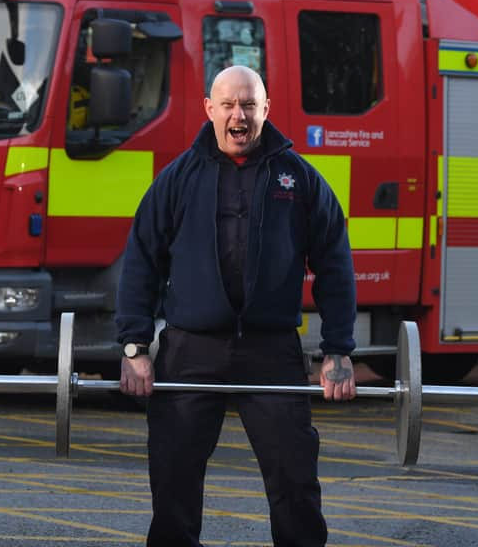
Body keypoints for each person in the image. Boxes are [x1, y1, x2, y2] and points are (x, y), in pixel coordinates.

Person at [115, 65, 357, 547]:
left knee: (294, 479)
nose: (238, 115)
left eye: (248, 104)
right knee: (174, 476)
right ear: (210, 109)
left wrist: (338, 350)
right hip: (190, 349)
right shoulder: (178, 178)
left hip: (271, 352)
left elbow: (334, 263)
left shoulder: (300, 180)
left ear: (266, 110)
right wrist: (134, 346)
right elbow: (142, 257)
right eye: (228, 105)